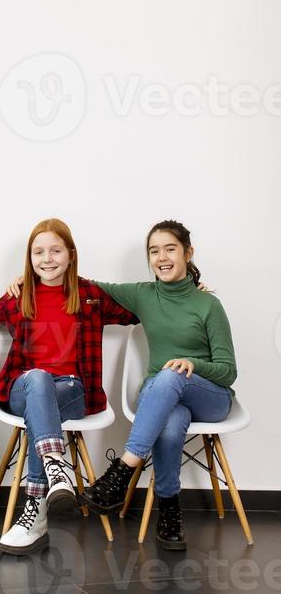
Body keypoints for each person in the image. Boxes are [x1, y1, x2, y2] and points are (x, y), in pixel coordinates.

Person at [0, 218, 138, 555]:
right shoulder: (20, 295)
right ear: (29, 259)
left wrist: (186, 291)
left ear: (71, 255)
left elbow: (138, 310)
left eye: (55, 250)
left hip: (73, 392)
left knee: (41, 408)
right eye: (38, 252)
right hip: (25, 387)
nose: (47, 259)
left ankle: (36, 515)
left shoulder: (90, 295)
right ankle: (56, 469)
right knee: (38, 378)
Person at [78, 220, 236, 550]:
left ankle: (123, 471)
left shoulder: (209, 305)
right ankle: (169, 511)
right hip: (164, 396)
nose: (161, 257)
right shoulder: (144, 294)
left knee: (171, 374)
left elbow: (227, 371)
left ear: (188, 253)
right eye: (154, 250)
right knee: (171, 420)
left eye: (170, 248)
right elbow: (85, 286)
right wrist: (30, 278)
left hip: (210, 395)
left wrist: (193, 366)